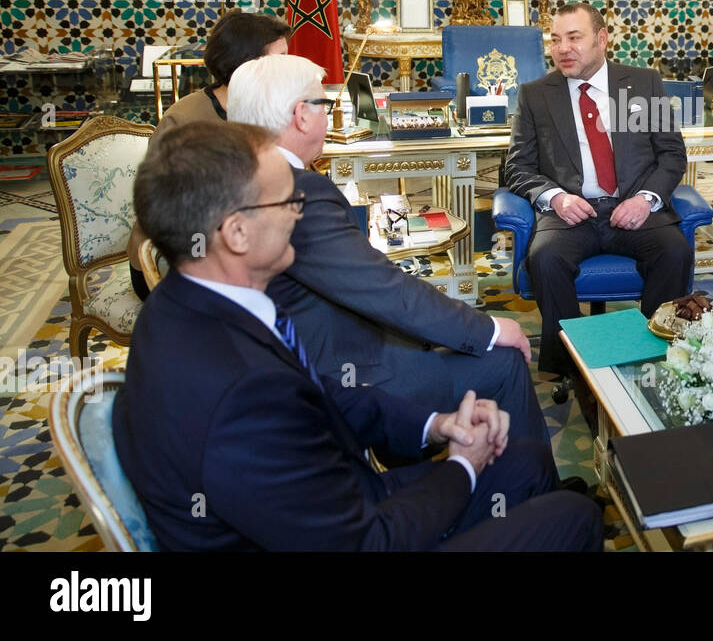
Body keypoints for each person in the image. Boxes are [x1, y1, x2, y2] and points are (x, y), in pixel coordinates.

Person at [113, 119, 601, 550]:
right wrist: (462, 467)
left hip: (339, 502)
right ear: (237, 233)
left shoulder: (187, 303)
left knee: (531, 462)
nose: (299, 213)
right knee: (574, 517)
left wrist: (436, 425)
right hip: (358, 532)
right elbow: (368, 541)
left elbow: (324, 396)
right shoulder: (238, 392)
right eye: (288, 200)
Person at [226, 54, 551, 453]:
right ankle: (524, 492)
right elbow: (382, 289)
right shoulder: (297, 192)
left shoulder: (230, 176)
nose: (327, 114)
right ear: (301, 116)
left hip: (283, 360)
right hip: (341, 375)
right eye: (323, 104)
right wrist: (492, 329)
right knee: (506, 363)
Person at [502, 2, 693, 382]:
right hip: (571, 212)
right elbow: (517, 167)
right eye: (555, 40)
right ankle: (570, 365)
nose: (563, 48)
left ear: (602, 39)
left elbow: (671, 154)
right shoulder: (536, 94)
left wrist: (645, 199)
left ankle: (653, 351)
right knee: (546, 259)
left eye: (574, 38)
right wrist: (555, 197)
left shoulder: (640, 85)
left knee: (675, 251)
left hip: (634, 208)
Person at [128, 11, 291, 299]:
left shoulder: (266, 111)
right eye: (279, 59)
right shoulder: (186, 120)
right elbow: (169, 215)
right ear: (246, 65)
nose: (287, 67)